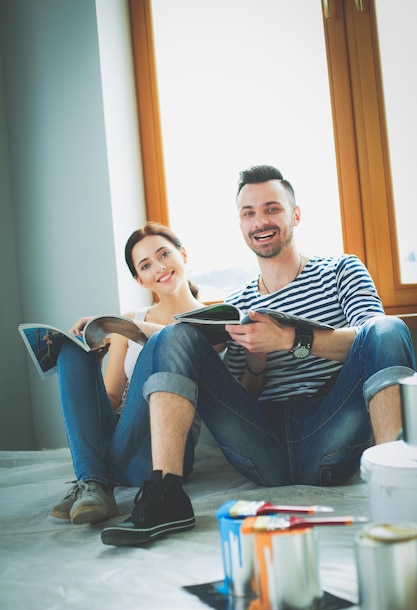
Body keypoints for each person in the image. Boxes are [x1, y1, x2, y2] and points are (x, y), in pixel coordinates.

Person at [101, 164, 416, 548]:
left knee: (388, 327)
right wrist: (257, 361)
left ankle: (395, 484)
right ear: (240, 224)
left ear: (295, 214)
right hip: (259, 445)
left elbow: (374, 342)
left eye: (272, 208)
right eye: (249, 213)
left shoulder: (341, 270)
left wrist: (291, 340)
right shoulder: (237, 303)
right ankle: (166, 495)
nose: (260, 221)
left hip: (329, 431)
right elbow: (243, 395)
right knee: (176, 335)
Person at [51, 222, 204, 525]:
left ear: (183, 254)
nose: (159, 267)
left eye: (164, 254)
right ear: (139, 279)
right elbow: (110, 397)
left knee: (159, 344)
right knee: (70, 350)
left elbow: (179, 340)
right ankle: (94, 480)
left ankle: (94, 478)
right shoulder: (126, 321)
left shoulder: (213, 319)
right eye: (146, 265)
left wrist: (117, 327)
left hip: (164, 450)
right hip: (123, 431)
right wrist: (89, 377)